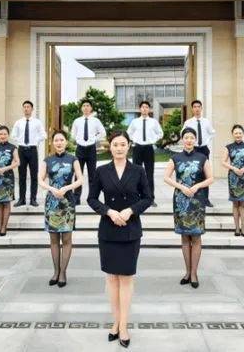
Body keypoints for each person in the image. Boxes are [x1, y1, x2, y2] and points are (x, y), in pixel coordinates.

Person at [87, 131, 152, 348]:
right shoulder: (101, 170)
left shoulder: (138, 170)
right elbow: (92, 198)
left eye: (123, 144)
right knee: (111, 279)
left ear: (128, 146)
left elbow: (148, 198)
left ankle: (123, 325)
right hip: (108, 229)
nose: (119, 148)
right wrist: (109, 211)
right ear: (110, 146)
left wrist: (130, 210)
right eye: (115, 144)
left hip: (130, 229)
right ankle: (115, 322)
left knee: (126, 279)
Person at [163, 127, 214, 289]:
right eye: (186, 137)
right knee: (185, 237)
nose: (189, 140)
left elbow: (211, 178)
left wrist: (197, 186)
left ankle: (194, 273)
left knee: (196, 236)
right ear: (182, 139)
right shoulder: (175, 158)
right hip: (181, 200)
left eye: (192, 137)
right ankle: (187, 272)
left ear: (195, 140)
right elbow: (166, 177)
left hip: (197, 200)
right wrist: (181, 187)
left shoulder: (202, 157)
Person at [38, 130, 84, 288]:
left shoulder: (73, 159)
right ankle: (56, 271)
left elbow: (81, 179)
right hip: (52, 202)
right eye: (56, 140)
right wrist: (51, 189)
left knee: (66, 239)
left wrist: (66, 188)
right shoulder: (47, 160)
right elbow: (40, 179)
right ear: (52, 142)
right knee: (53, 239)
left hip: (68, 201)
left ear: (66, 142)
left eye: (61, 140)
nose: (59, 142)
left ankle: (63, 272)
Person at [222, 124, 244, 237]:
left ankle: (243, 228)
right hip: (233, 177)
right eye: (236, 133)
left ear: (243, 134)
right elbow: (223, 162)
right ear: (233, 134)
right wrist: (233, 168)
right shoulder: (228, 147)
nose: (238, 135)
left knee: (243, 204)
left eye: (240, 133)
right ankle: (236, 228)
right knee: (235, 203)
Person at [127, 101, 163, 207]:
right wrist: (134, 139)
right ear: (140, 109)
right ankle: (136, 197)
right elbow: (129, 133)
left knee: (149, 174)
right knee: (136, 173)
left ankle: (150, 198)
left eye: (147, 107)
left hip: (148, 148)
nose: (144, 109)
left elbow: (160, 133)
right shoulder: (134, 122)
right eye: (143, 107)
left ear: (149, 109)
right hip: (137, 148)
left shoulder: (153, 122)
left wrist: (153, 139)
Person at [11, 100, 47, 207]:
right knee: (21, 176)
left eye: (28, 107)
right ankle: (21, 199)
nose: (26, 108)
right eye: (24, 107)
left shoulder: (37, 122)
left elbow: (44, 135)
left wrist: (35, 140)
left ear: (32, 109)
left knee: (34, 176)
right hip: (21, 150)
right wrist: (20, 140)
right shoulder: (18, 122)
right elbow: (13, 135)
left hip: (32, 150)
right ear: (23, 109)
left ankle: (33, 199)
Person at [71, 100, 106, 204]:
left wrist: (94, 138)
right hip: (80, 149)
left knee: (92, 175)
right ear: (81, 108)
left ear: (91, 108)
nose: (86, 107)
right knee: (78, 174)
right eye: (84, 106)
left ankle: (92, 198)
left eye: (88, 106)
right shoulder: (77, 121)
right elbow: (73, 134)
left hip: (91, 149)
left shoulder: (96, 121)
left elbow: (103, 132)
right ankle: (76, 198)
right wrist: (78, 140)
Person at [181, 100, 216, 206]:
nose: (197, 109)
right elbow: (182, 134)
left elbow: (212, 133)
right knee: (193, 173)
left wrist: (207, 140)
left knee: (205, 174)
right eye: (195, 107)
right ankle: (193, 196)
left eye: (198, 106)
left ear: (201, 108)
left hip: (204, 149)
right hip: (193, 149)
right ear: (192, 109)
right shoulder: (188, 123)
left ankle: (205, 199)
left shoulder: (206, 122)